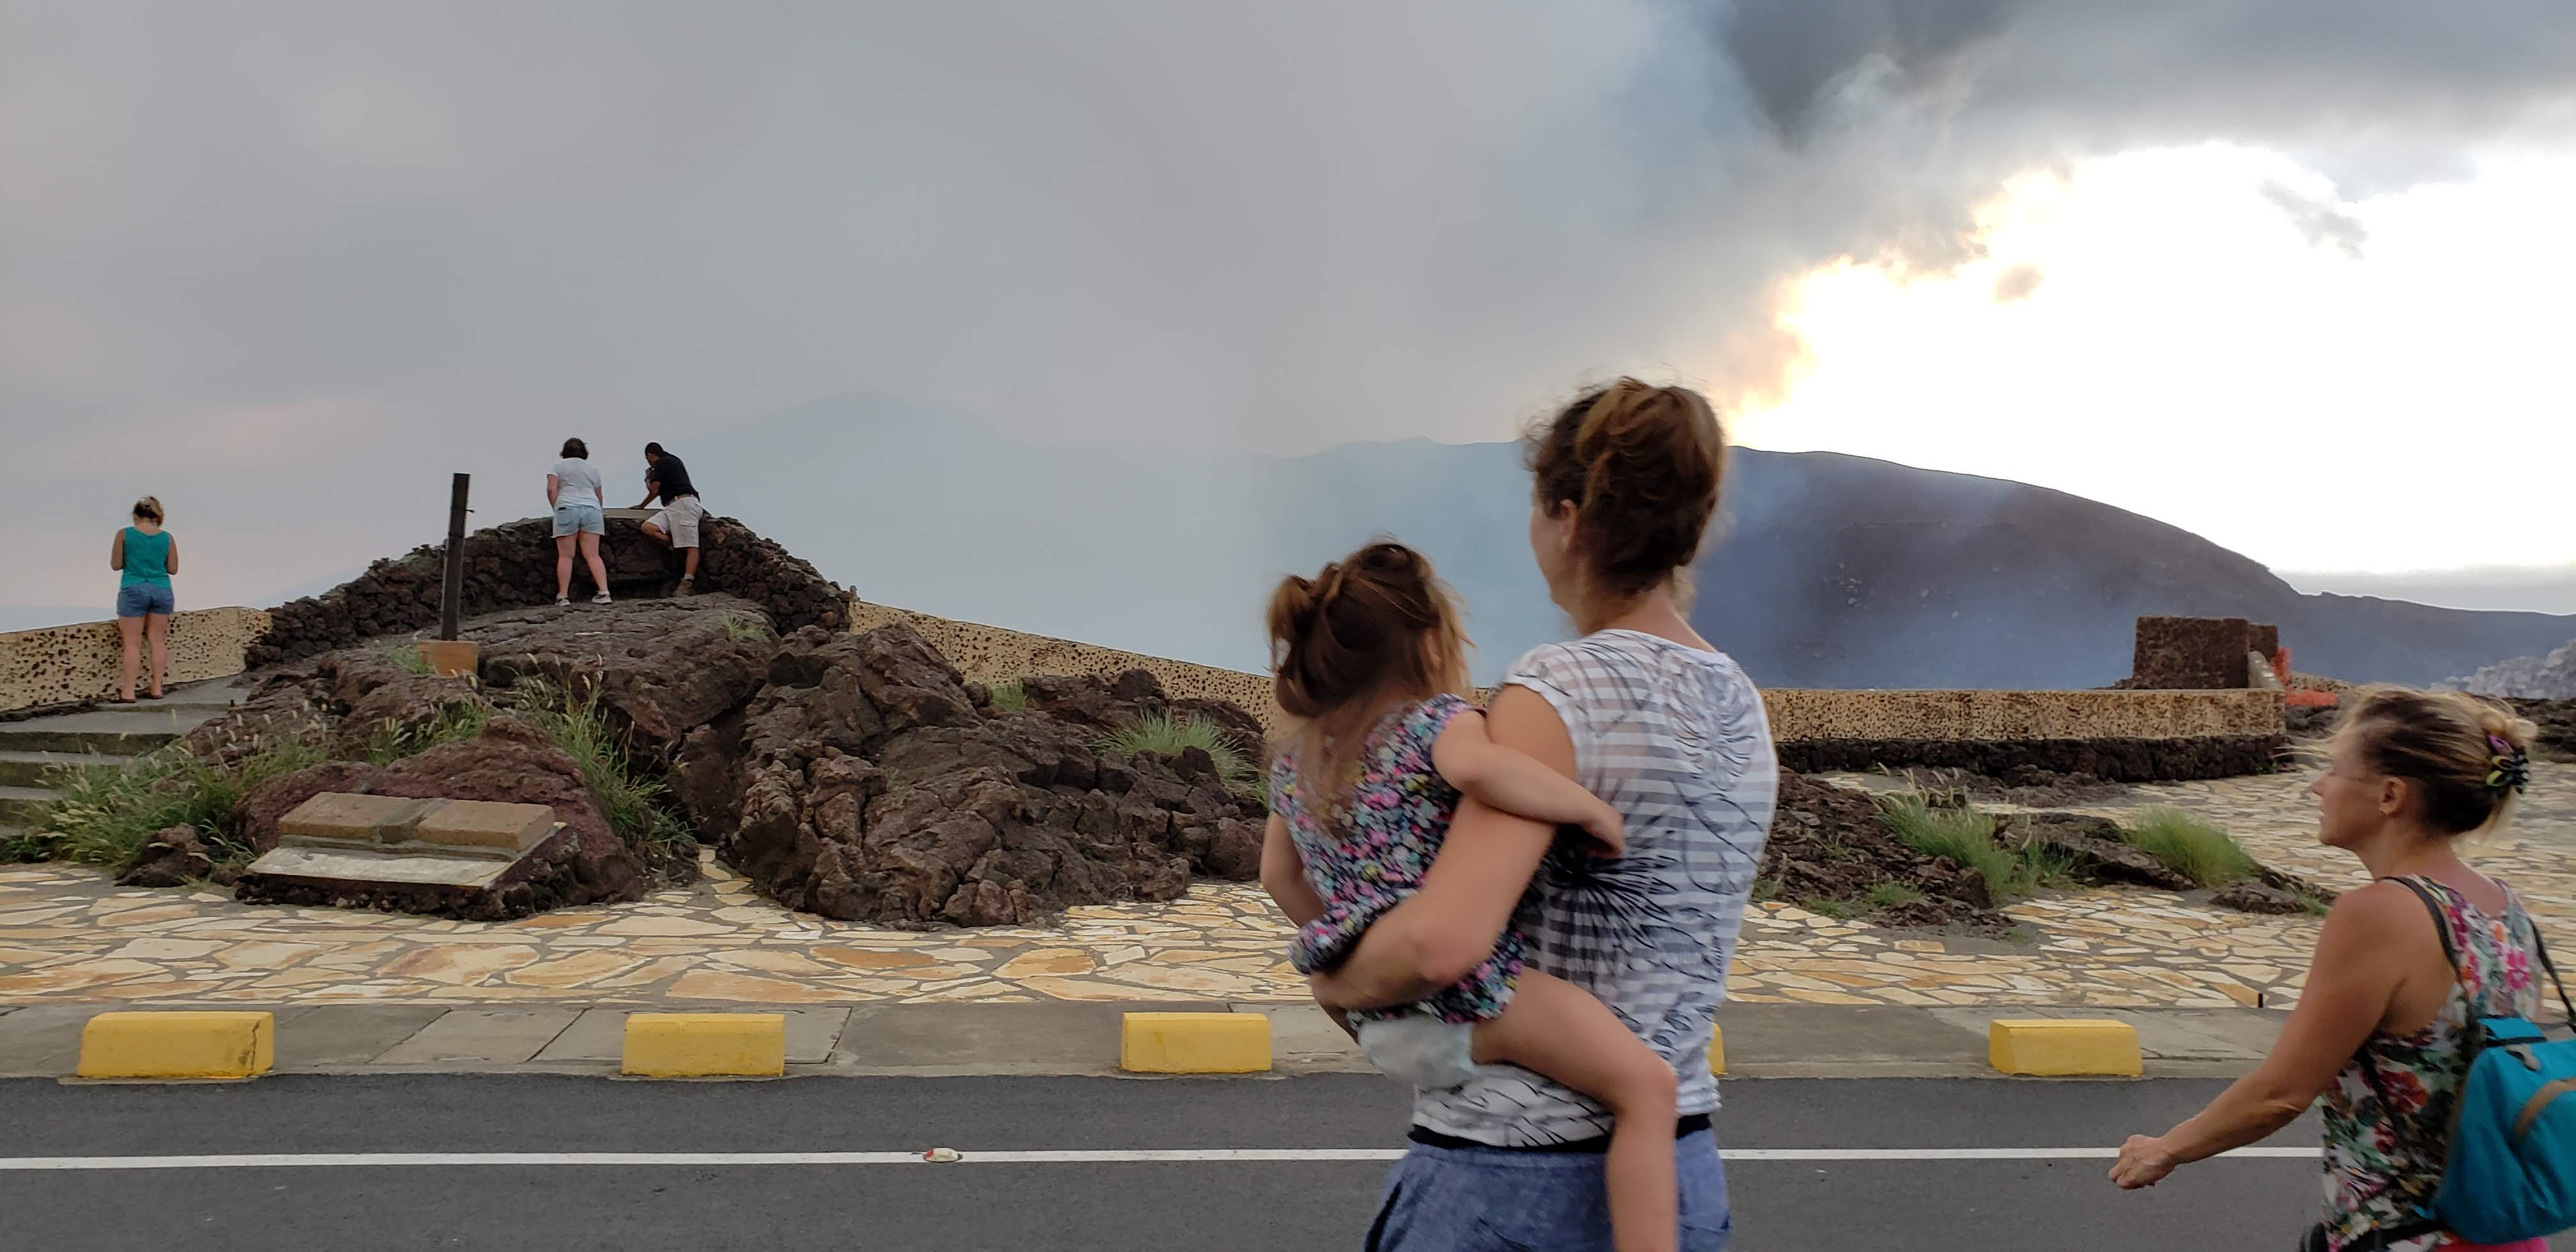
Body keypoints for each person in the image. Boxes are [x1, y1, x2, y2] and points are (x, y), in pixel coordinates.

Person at [1304, 378, 1772, 1251]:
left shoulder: (1555, 690)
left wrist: (1334, 981)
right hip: (1677, 1173)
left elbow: (1443, 944)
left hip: (1515, 1173)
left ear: (1567, 519)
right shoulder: (1740, 701)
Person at [1261, 540, 1679, 1252]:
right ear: (1431, 642)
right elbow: (1482, 771)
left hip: (1378, 1022)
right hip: (1475, 1002)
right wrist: (1589, 809)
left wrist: (1355, 942)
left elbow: (1279, 875)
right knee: (1647, 1089)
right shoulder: (1437, 722)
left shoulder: (1298, 760)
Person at [2110, 687, 2550, 1252]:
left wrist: (2165, 1148)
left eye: (2335, 770)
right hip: (2505, 1230)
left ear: (2390, 795)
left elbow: (2282, 1093)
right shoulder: (2506, 907)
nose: (2318, 787)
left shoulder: (2380, 913)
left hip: (2410, 1238)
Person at [109, 496, 177, 703]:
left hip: (133, 586)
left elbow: (116, 565)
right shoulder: (167, 538)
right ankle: (156, 688)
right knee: (157, 640)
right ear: (157, 516)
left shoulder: (124, 535)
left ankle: (128, 692)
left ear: (135, 515)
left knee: (132, 643)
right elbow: (173, 569)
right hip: (161, 588)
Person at [547, 438, 612, 607]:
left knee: (566, 556)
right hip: (592, 509)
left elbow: (551, 490)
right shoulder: (593, 469)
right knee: (593, 554)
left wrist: (557, 508)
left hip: (567, 507)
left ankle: (563, 596)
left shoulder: (557, 466)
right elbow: (599, 496)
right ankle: (604, 592)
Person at [634, 441, 704, 594]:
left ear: (650, 455)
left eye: (647, 459)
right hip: (673, 505)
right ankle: (673, 542)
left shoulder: (662, 463)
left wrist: (647, 480)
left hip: (683, 504)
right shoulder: (673, 461)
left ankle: (687, 583)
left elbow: (654, 490)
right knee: (648, 527)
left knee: (691, 546)